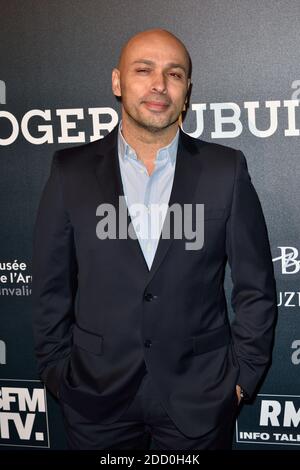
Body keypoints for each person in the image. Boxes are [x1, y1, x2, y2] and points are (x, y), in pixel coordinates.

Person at [32, 28, 277, 450]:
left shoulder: (226, 170)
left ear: (187, 91)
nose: (159, 85)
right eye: (143, 70)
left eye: (174, 74)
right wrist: (58, 372)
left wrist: (241, 380)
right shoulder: (69, 170)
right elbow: (50, 286)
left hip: (199, 396)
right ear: (117, 81)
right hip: (95, 398)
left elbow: (255, 288)